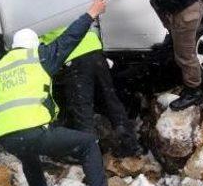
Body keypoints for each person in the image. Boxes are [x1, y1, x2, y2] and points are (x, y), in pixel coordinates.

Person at [0, 0, 130, 186]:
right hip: (35, 130)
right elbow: (70, 37)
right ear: (35, 44)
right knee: (88, 143)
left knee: (29, 156)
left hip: (7, 137)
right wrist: (91, 13)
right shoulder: (40, 57)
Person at [40, 26, 143, 157]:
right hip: (94, 50)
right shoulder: (64, 7)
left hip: (74, 57)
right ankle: (130, 144)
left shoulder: (39, 19)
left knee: (82, 109)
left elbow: (38, 49)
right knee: (110, 99)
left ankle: (90, 155)